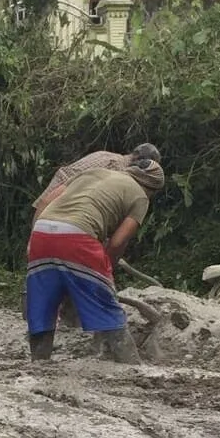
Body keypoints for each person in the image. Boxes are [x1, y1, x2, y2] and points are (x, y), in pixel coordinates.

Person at [26, 160, 165, 364]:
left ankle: (38, 363)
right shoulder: (140, 196)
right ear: (152, 188)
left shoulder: (94, 172)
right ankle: (134, 367)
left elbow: (47, 200)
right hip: (78, 236)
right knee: (106, 306)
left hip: (42, 231)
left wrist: (33, 239)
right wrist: (105, 271)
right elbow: (118, 241)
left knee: (42, 304)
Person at [33, 143, 161, 220]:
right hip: (68, 196)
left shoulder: (107, 154)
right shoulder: (119, 171)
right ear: (139, 160)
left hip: (58, 186)